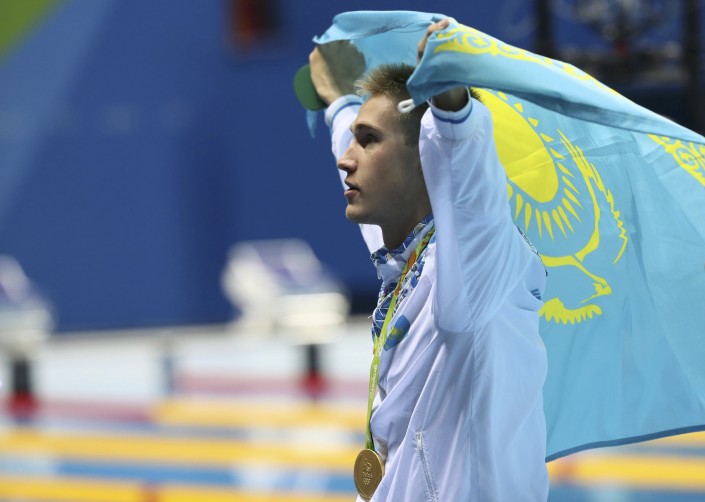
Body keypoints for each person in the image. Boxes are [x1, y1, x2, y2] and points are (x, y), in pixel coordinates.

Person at [309, 18, 549, 501]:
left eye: (367, 140)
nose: (345, 158)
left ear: (427, 156)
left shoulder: (474, 274)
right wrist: (340, 104)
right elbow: (382, 185)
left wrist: (451, 106)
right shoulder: (406, 263)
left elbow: (468, 183)